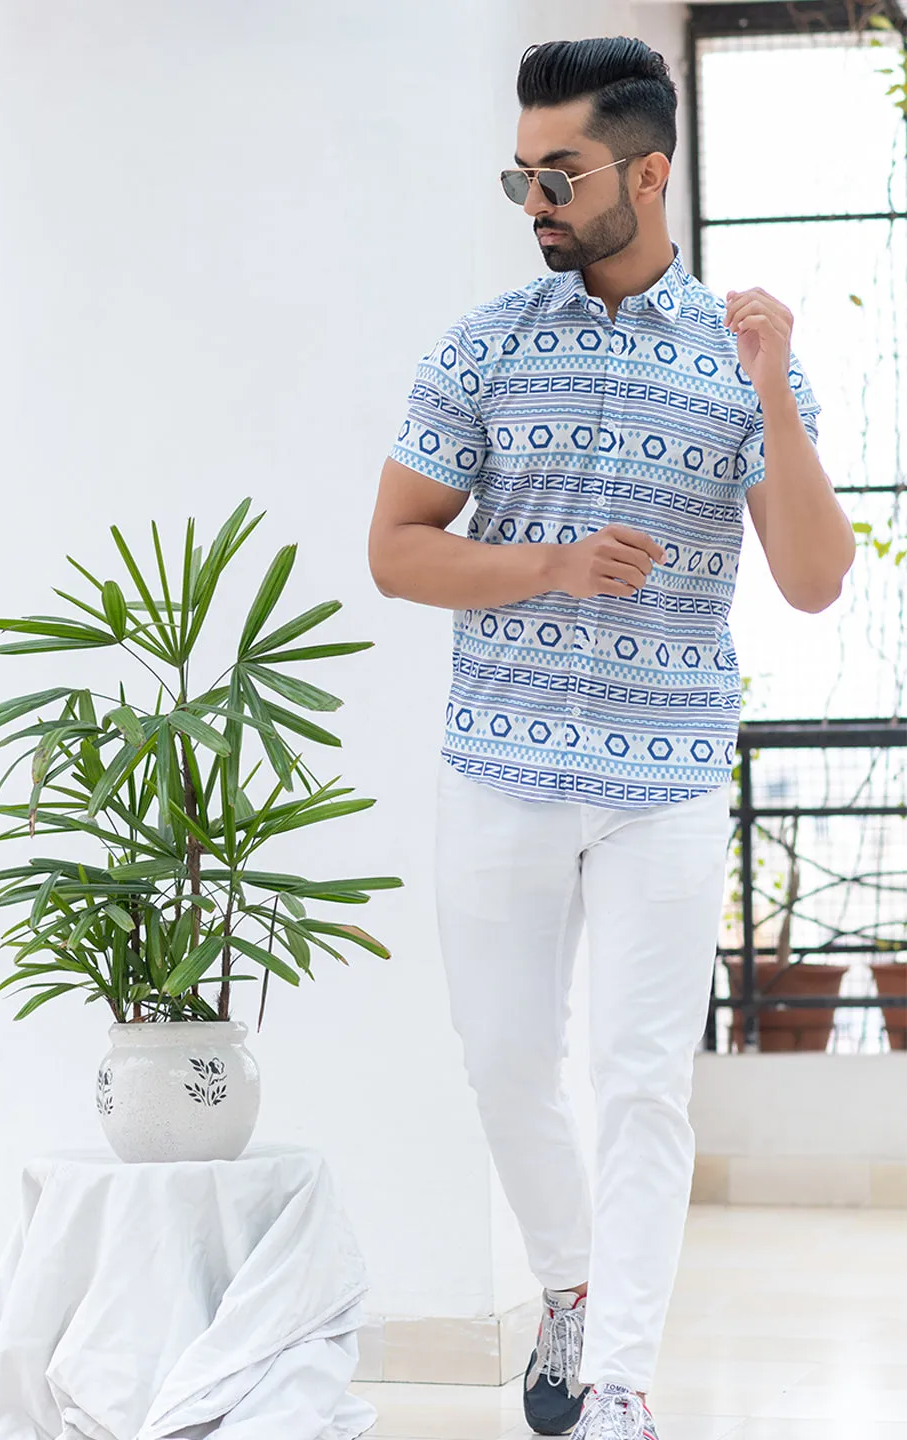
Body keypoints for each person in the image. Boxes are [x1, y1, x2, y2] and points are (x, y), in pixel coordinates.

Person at [368, 35, 855, 1440]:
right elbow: (397, 552)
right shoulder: (480, 345)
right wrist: (550, 564)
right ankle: (571, 1287)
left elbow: (817, 578)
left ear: (649, 171)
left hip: (668, 776)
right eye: (522, 172)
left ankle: (625, 1380)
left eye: (561, 171)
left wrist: (772, 383)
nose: (536, 197)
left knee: (640, 1077)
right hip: (499, 766)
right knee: (506, 1059)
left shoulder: (738, 354)